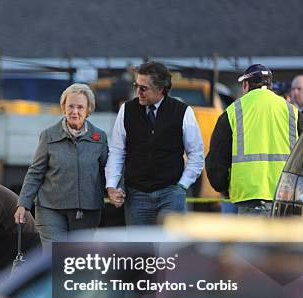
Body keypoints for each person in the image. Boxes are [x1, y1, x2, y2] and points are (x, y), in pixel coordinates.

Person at [105, 61, 204, 225]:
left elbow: (196, 155)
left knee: (171, 249)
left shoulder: (183, 112)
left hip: (171, 193)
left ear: (161, 88)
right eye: (136, 85)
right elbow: (117, 151)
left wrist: (182, 185)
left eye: (143, 88)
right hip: (136, 194)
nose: (138, 92)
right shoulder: (126, 110)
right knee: (140, 250)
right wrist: (111, 185)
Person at [14, 83, 108, 247]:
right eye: (70, 106)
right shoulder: (48, 136)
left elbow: (107, 170)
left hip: (86, 211)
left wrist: (116, 191)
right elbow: (35, 172)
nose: (75, 111)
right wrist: (23, 204)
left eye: (80, 107)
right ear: (63, 107)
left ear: (88, 110)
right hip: (50, 208)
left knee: (77, 261)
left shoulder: (99, 137)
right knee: (54, 259)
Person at [206, 64, 301, 215]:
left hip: (250, 195)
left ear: (245, 85)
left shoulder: (233, 111)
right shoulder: (292, 111)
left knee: (254, 239)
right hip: (286, 195)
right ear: (269, 85)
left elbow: (217, 159)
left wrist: (222, 187)